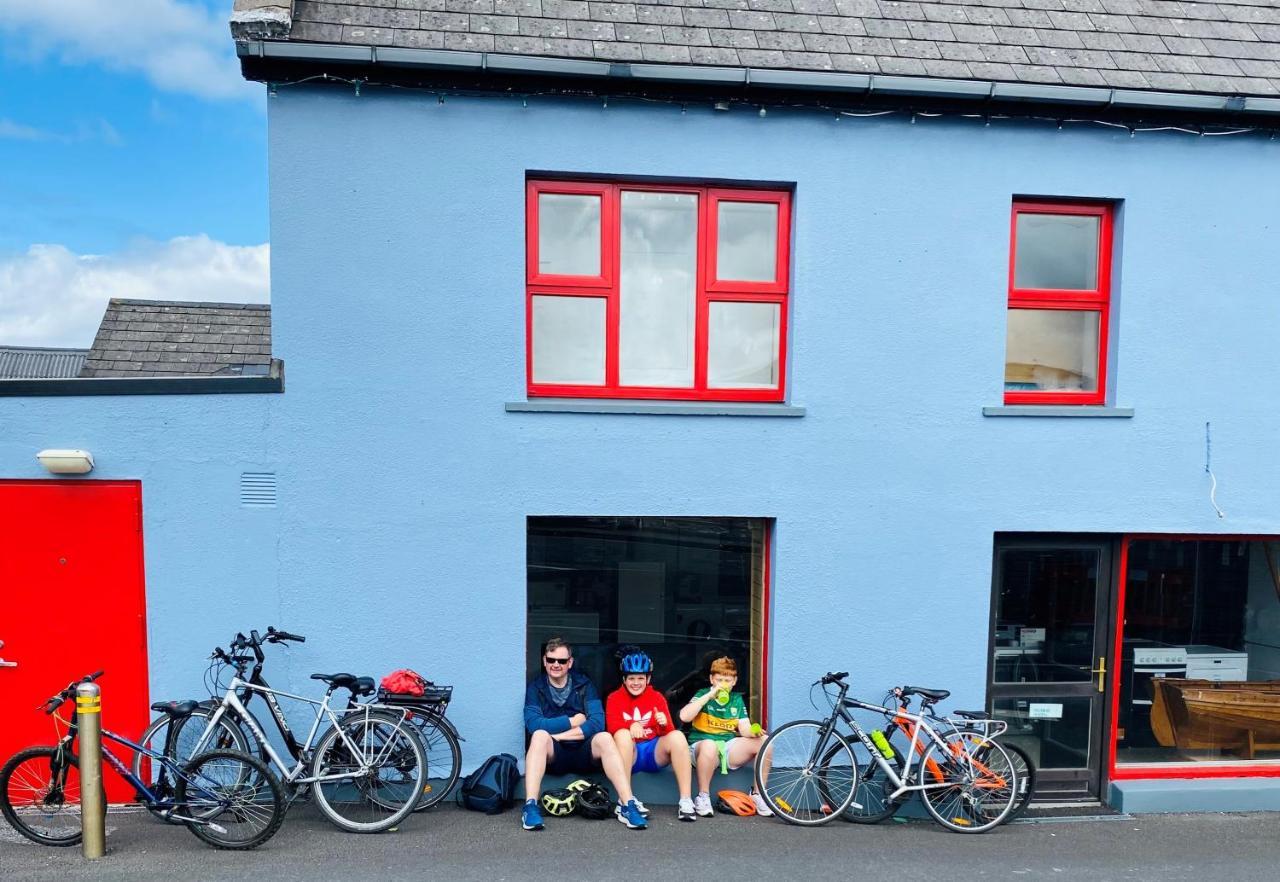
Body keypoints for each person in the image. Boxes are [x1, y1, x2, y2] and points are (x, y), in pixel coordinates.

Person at [521, 636, 648, 831]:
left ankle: (627, 805)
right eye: (551, 660)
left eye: (562, 661)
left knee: (605, 738)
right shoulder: (536, 688)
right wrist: (572, 721)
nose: (556, 665)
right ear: (544, 661)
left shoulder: (584, 684)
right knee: (538, 736)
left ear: (570, 662)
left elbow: (597, 723)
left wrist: (559, 735)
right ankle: (530, 806)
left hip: (583, 751)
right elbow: (534, 724)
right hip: (555, 756)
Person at [606, 650, 696, 822]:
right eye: (631, 678)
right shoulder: (614, 698)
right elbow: (611, 727)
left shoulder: (657, 697)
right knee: (623, 735)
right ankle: (626, 800)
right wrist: (630, 725)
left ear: (648, 679)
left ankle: (686, 801)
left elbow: (668, 732)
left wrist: (663, 723)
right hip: (627, 755)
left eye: (640, 678)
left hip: (652, 753)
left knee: (677, 736)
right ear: (624, 679)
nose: (636, 683)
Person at [678, 655, 772, 817]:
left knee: (765, 742)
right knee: (709, 745)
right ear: (711, 679)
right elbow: (684, 717)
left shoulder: (736, 700)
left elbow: (744, 729)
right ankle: (703, 796)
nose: (723, 684)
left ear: (734, 681)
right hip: (701, 748)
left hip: (727, 747)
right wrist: (708, 696)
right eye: (719, 680)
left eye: (727, 681)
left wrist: (753, 731)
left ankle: (758, 795)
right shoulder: (702, 694)